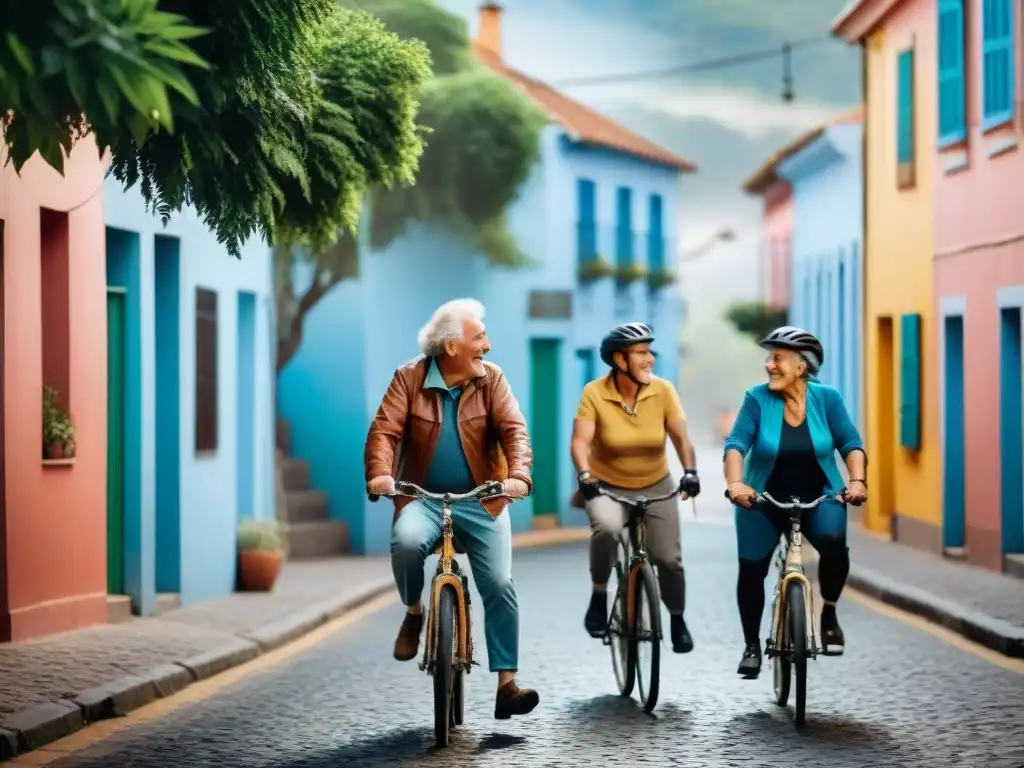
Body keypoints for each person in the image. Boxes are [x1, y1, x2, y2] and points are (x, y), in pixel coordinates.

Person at [364, 298, 539, 720]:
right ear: (450, 347)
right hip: (421, 498)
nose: (488, 346)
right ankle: (413, 611)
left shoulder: (492, 380)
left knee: (498, 583)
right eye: (479, 337)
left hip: (484, 500)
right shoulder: (408, 379)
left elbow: (514, 431)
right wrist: (380, 474)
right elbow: (384, 431)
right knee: (405, 543)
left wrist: (518, 475)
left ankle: (507, 685)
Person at [722, 326, 867, 679]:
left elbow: (850, 444)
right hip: (762, 498)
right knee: (752, 569)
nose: (769, 365)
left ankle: (829, 612)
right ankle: (752, 646)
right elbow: (736, 444)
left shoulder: (828, 399)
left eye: (778, 359)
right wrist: (736, 484)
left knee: (834, 545)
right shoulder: (756, 399)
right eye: (769, 358)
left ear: (801, 367)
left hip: (821, 494)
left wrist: (857, 482)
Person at [570, 322, 700, 654]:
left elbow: (681, 439)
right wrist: (585, 475)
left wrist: (690, 471)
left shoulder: (664, 390)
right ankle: (599, 595)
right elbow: (580, 442)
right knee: (607, 530)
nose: (649, 359)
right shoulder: (594, 393)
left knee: (668, 558)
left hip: (656, 484)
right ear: (619, 360)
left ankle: (677, 618)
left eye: (649, 352)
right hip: (606, 486)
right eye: (641, 353)